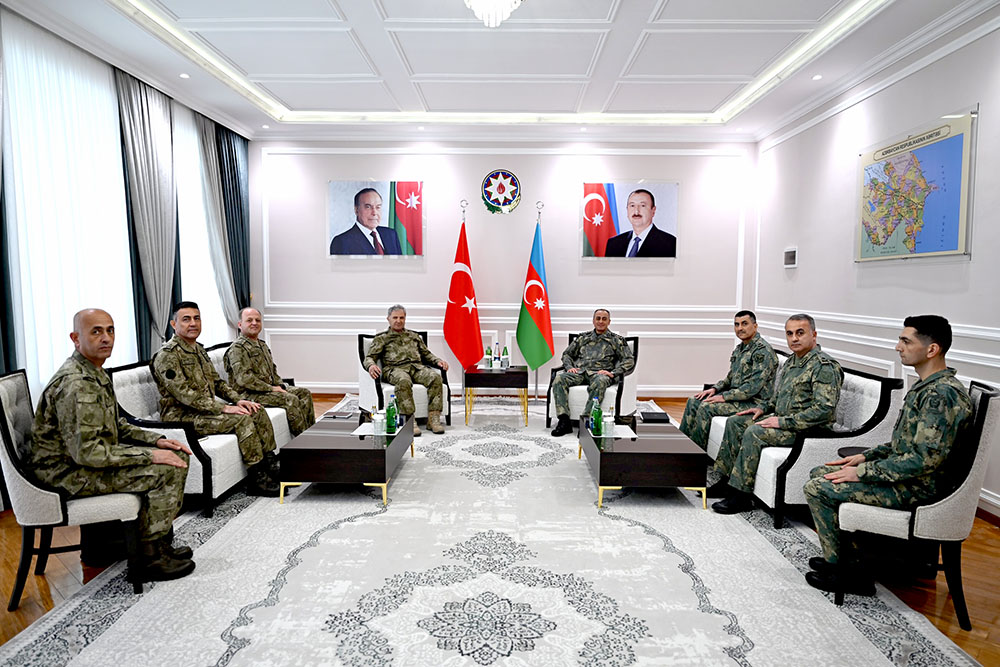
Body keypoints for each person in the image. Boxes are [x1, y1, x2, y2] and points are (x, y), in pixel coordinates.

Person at [802, 315, 972, 596]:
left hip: (919, 488)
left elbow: (924, 461)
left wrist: (862, 473)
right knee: (819, 473)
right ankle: (845, 559)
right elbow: (903, 444)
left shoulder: (941, 396)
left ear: (932, 349)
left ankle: (851, 574)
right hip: (908, 478)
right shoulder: (927, 387)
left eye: (906, 341)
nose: (898, 347)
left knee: (818, 488)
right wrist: (866, 457)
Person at [29, 309, 195, 581]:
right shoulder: (77, 384)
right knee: (166, 469)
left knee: (175, 455)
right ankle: (148, 558)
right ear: (75, 338)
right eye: (96, 331)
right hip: (65, 474)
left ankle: (156, 544)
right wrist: (149, 456)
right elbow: (88, 453)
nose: (106, 338)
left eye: (110, 330)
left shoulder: (94, 371)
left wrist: (157, 441)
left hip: (81, 463)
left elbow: (116, 425)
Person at [711, 313, 843, 513]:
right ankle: (727, 480)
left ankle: (742, 496)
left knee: (754, 433)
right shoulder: (793, 361)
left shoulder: (823, 366)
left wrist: (782, 422)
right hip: (785, 421)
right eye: (790, 334)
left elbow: (823, 411)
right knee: (736, 422)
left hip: (807, 429)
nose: (794, 338)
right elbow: (780, 396)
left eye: (800, 333)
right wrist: (763, 408)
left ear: (814, 335)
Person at [152, 301, 280, 497]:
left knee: (255, 409)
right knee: (242, 420)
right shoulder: (167, 355)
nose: (193, 323)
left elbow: (218, 383)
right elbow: (184, 394)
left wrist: (238, 400)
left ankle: (270, 465)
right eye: (186, 319)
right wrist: (222, 408)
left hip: (204, 411)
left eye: (196, 318)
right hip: (182, 416)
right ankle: (256, 477)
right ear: (174, 324)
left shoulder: (198, 350)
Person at [679, 310, 779, 450]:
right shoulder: (740, 349)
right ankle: (682, 447)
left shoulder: (762, 352)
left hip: (754, 402)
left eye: (744, 324)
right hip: (737, 398)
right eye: (736, 324)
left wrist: (724, 397)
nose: (740, 328)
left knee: (706, 407)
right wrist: (714, 389)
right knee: (693, 401)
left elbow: (753, 388)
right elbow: (730, 378)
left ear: (755, 326)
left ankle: (696, 454)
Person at [225, 307, 316, 436]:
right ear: (240, 324)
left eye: (257, 320)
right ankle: (302, 440)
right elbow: (244, 379)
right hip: (248, 394)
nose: (254, 323)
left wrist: (280, 386)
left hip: (266, 390)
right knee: (290, 399)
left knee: (304, 393)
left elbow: (273, 371)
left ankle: (311, 434)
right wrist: (272, 389)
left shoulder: (262, 345)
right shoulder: (237, 348)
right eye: (249, 320)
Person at [363, 304, 450, 436]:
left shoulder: (413, 336)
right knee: (404, 381)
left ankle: (433, 419)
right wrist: (371, 366)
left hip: (416, 368)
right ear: (388, 319)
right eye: (395, 317)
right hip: (394, 369)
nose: (398, 321)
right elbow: (369, 357)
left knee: (435, 377)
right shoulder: (382, 338)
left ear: (405, 318)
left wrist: (438, 361)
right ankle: (409, 420)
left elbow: (426, 354)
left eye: (401, 318)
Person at [550, 309, 636, 437]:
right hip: (580, 372)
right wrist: (569, 367)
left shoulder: (616, 340)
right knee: (559, 379)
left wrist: (613, 372)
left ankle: (586, 422)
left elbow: (629, 360)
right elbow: (567, 354)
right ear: (593, 321)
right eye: (598, 318)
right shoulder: (583, 338)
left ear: (609, 322)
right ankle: (564, 421)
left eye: (604, 319)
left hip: (600, 374)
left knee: (600, 382)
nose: (600, 321)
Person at [603, 189, 677, 258]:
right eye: (632, 206)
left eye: (643, 206)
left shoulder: (669, 243)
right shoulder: (613, 243)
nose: (636, 211)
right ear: (627, 210)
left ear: (653, 211)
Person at [329, 188, 403, 256]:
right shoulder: (342, 242)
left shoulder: (391, 234)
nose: (374, 213)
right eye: (368, 207)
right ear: (356, 210)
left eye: (378, 207)